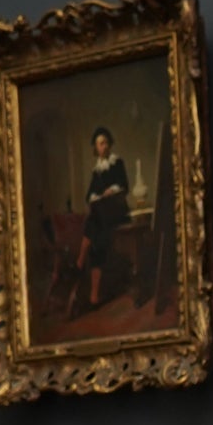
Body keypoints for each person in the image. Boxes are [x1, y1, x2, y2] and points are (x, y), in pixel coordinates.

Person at [69, 126, 129, 315]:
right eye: (98, 144)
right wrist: (96, 196)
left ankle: (79, 262)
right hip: (102, 217)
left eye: (103, 143)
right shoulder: (96, 170)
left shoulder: (117, 162)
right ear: (96, 148)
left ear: (109, 144)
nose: (101, 147)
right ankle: (94, 298)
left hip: (117, 210)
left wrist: (112, 190)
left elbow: (125, 186)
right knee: (98, 242)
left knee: (95, 220)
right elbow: (89, 195)